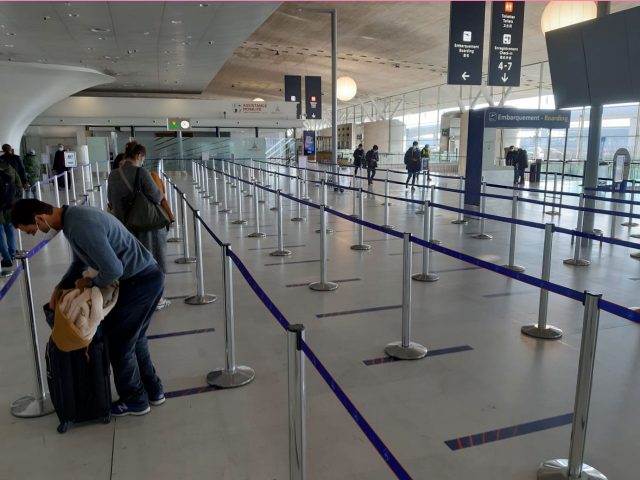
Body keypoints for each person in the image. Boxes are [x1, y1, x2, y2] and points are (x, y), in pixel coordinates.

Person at [12, 198, 166, 416]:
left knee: (120, 345)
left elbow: (113, 269)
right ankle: (154, 390)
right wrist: (60, 287)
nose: (34, 235)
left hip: (138, 283)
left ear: (39, 219)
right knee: (135, 339)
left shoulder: (78, 225)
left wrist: (91, 283)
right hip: (148, 276)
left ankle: (135, 400)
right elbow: (80, 262)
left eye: (31, 230)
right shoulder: (73, 219)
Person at [107, 143, 172, 310]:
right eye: (142, 158)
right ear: (138, 156)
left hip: (124, 227)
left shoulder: (113, 175)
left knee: (133, 263)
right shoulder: (141, 172)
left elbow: (110, 200)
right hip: (146, 226)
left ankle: (137, 299)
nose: (142, 161)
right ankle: (156, 299)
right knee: (154, 260)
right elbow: (156, 196)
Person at [0, 154, 22, 268]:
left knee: (0, 232)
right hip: (9, 204)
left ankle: (6, 258)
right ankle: (12, 254)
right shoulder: (8, 167)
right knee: (10, 229)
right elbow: (18, 184)